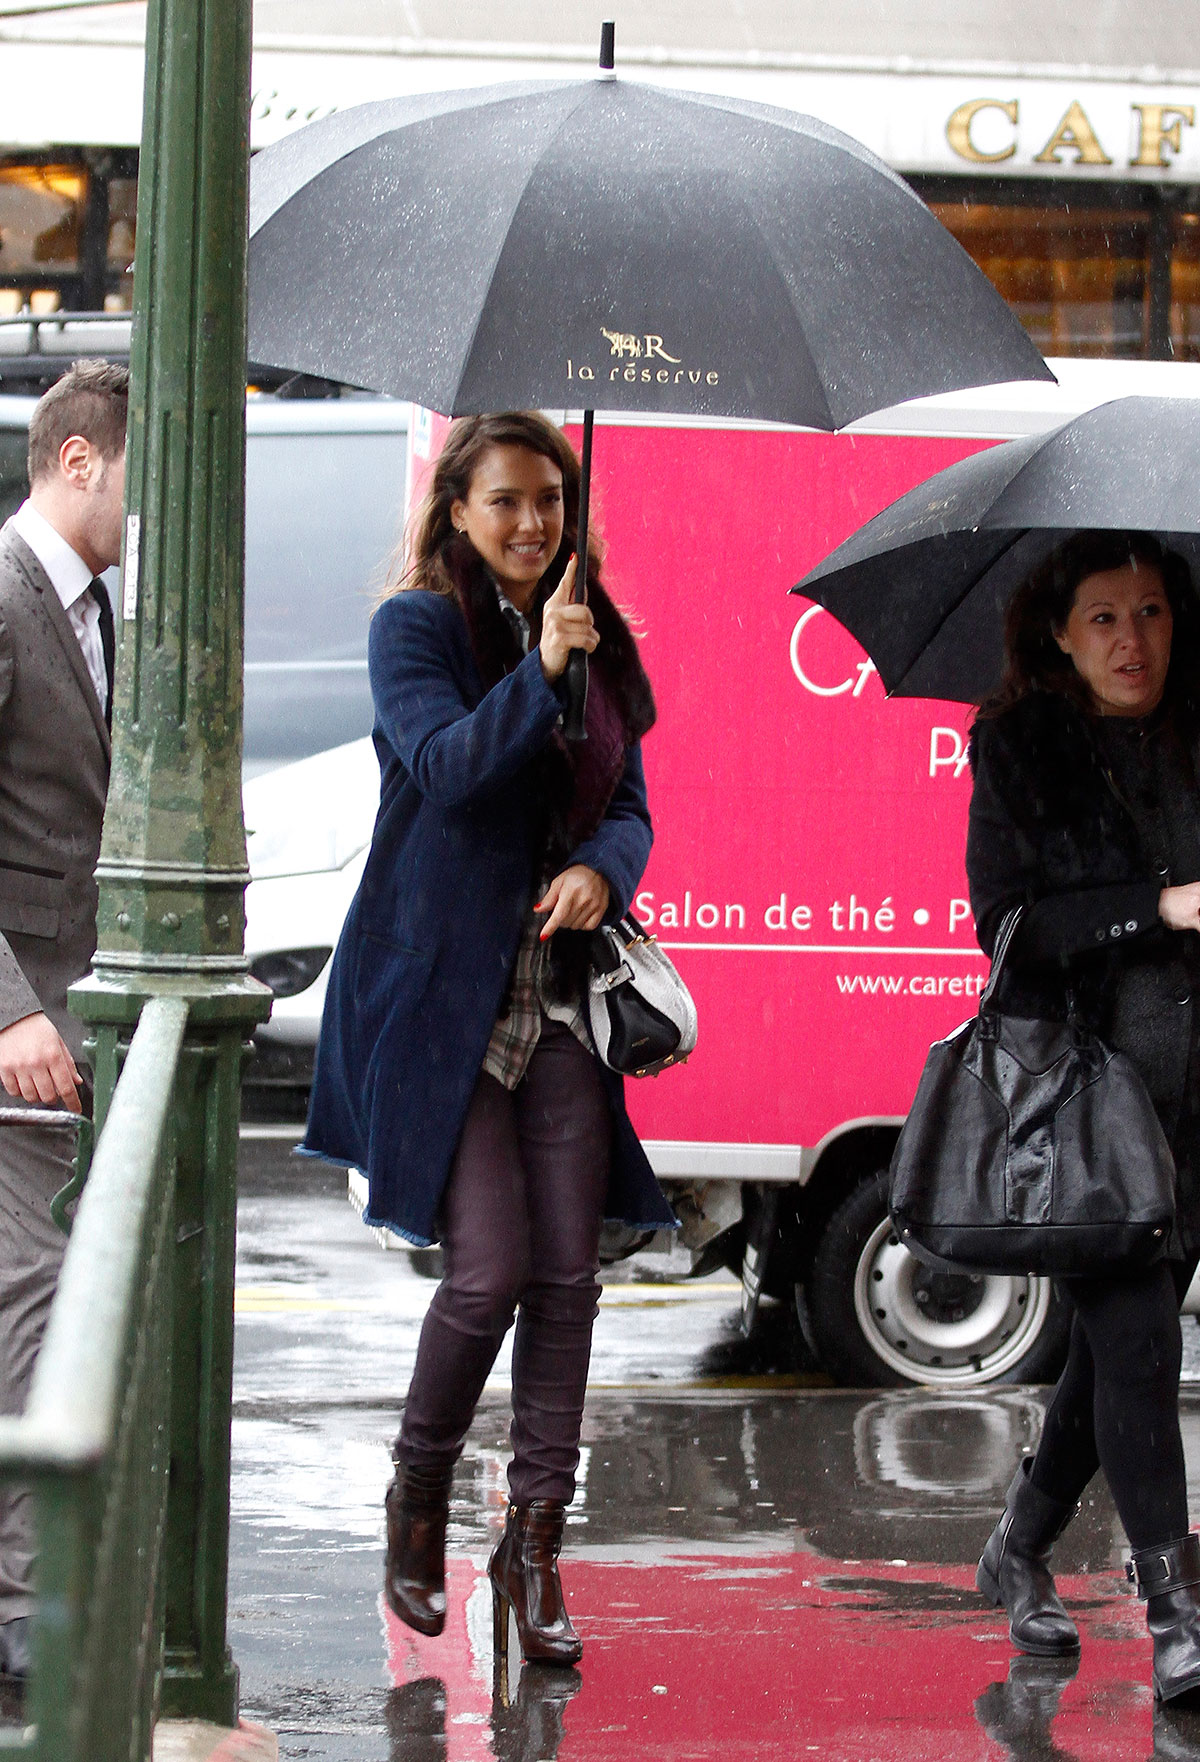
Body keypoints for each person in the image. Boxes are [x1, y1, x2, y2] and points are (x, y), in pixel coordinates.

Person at [302, 411, 676, 1665]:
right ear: (456, 510)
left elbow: (628, 807)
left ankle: (535, 1544)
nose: (531, 524)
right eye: (506, 500)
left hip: (559, 995)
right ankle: (417, 1499)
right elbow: (451, 769)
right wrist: (541, 673)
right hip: (442, 1001)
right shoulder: (415, 628)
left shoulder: (598, 634)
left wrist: (602, 875)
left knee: (570, 1275)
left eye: (550, 502)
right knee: (489, 1271)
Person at [966, 529, 1200, 1705]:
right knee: (1144, 1345)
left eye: (1153, 612)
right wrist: (1154, 906)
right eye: (1104, 616)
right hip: (1087, 1106)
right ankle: (1176, 1610)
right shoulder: (1020, 746)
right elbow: (1006, 924)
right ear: (1060, 631)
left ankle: (1016, 1545)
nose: (1131, 639)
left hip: (1195, 1106)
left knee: (1112, 1358)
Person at [0, 358, 126, 1680]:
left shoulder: (90, 599)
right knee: (31, 1302)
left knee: (50, 1298)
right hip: (25, 1028)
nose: (142, 521)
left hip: (70, 1017)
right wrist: (7, 1016)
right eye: (135, 485)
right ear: (80, 460)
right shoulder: (8, 589)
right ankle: (25, 1616)